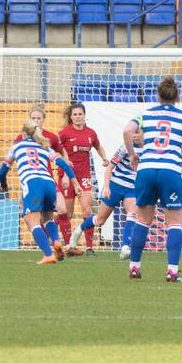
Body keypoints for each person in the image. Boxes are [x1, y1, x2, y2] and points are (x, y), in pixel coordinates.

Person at [123, 76, 182, 281]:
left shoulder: (145, 113)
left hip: (147, 169)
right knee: (174, 223)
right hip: (170, 171)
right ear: (177, 97)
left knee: (143, 220)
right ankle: (172, 271)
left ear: (158, 96)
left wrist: (133, 154)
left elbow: (127, 130)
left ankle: (134, 267)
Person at [0, 120, 78, 265]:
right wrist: (75, 182)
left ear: (23, 134)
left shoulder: (17, 146)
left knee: (32, 222)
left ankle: (48, 255)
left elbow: (3, 170)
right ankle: (56, 242)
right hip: (49, 184)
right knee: (48, 218)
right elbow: (62, 163)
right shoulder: (45, 146)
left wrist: (3, 184)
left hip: (33, 183)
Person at [58, 102, 110, 255]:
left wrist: (104, 157)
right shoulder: (64, 133)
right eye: (75, 114)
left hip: (84, 177)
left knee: (87, 210)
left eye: (80, 114)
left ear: (84, 115)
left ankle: (89, 247)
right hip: (66, 177)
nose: (77, 117)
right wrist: (66, 175)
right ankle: (64, 242)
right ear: (71, 117)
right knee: (66, 214)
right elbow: (58, 154)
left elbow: (98, 146)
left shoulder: (90, 133)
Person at [18, 106, 73, 250]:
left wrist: (66, 175)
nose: (36, 121)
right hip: (29, 181)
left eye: (39, 118)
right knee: (34, 217)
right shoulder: (21, 137)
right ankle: (48, 244)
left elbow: (63, 154)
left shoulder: (51, 137)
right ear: (29, 119)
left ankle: (67, 245)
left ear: (43, 120)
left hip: (48, 179)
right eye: (33, 118)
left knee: (61, 209)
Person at [90, 120, 143, 261]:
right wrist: (106, 187)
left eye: (137, 133)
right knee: (100, 220)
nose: (135, 136)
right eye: (133, 133)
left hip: (132, 188)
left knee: (132, 214)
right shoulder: (126, 147)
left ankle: (125, 247)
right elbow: (109, 168)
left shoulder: (150, 150)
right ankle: (78, 232)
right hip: (115, 185)